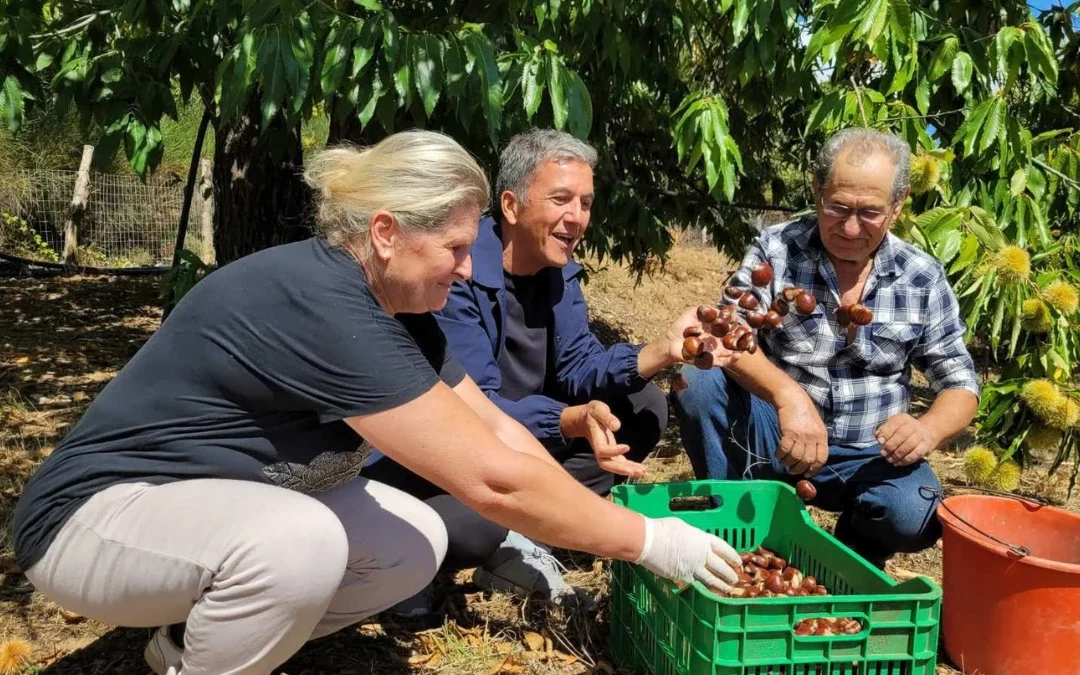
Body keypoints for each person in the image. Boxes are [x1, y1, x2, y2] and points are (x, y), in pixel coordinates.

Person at [12, 130, 746, 675]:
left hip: (212, 505)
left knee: (412, 543)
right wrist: (649, 542)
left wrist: (625, 521)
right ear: (387, 233)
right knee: (301, 545)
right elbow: (490, 480)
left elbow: (498, 436)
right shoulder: (326, 302)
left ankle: (187, 645)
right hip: (93, 521)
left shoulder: (401, 311)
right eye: (456, 248)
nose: (468, 268)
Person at [363, 128, 713, 609]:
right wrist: (570, 419)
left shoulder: (559, 269)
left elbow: (577, 365)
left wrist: (663, 350)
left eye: (586, 203)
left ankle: (535, 533)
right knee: (477, 523)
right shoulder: (455, 271)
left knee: (644, 405)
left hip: (522, 441)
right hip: (451, 455)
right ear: (511, 206)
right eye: (561, 199)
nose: (577, 218)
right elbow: (472, 411)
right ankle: (414, 559)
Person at [673, 127, 980, 568]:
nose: (851, 227)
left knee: (913, 515)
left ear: (899, 204)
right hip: (776, 436)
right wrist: (789, 397)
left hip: (867, 450)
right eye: (837, 207)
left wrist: (927, 429)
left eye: (870, 212)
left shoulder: (921, 276)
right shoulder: (777, 250)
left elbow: (960, 382)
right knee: (698, 379)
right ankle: (740, 528)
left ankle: (849, 559)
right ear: (817, 189)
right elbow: (727, 335)